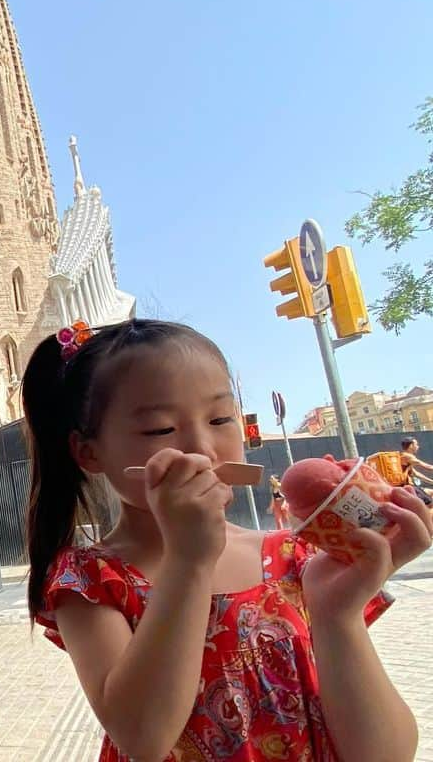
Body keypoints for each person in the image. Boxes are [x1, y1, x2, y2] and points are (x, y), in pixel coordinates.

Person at [22, 318, 432, 762]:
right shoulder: (89, 580)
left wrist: (339, 617)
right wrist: (189, 559)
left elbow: (386, 754)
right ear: (89, 452)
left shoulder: (297, 560)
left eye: (220, 418)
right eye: (160, 429)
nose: (203, 448)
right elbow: (143, 736)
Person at [400, 438, 433, 505]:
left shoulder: (403, 456)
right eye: (416, 444)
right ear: (411, 445)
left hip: (409, 486)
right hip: (409, 487)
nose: (418, 446)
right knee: (430, 504)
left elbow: (415, 474)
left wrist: (431, 482)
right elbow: (428, 467)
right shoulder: (408, 456)